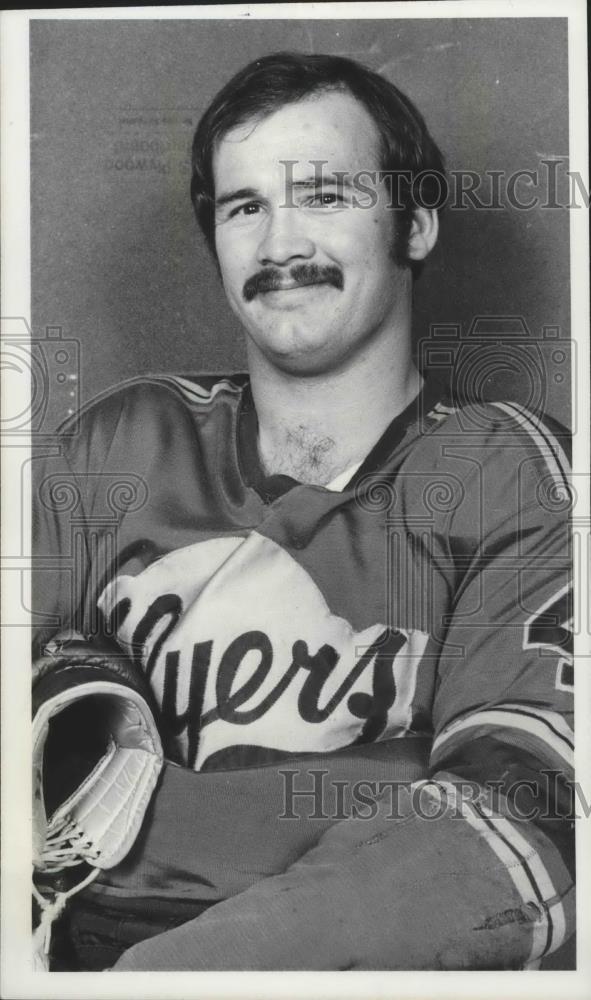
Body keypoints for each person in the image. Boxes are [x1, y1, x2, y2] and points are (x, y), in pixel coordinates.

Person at [32, 51, 575, 971]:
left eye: (322, 195)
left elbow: (525, 822)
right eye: (246, 207)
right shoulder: (119, 444)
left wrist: (165, 970)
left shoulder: (507, 465)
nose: (279, 244)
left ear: (415, 226)